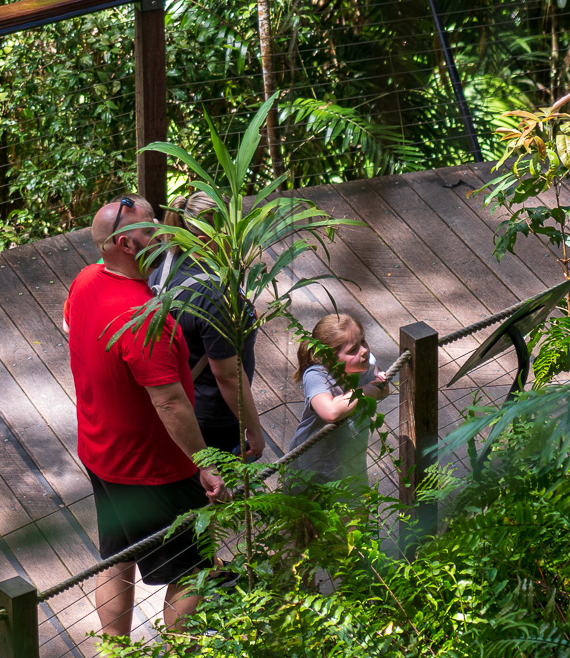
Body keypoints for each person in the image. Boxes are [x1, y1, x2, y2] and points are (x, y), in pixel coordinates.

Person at [63, 194, 230, 638]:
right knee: (192, 566)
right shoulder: (143, 318)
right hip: (155, 469)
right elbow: (170, 402)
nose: (164, 231)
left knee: (118, 556)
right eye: (152, 226)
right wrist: (206, 466)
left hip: (101, 453)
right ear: (128, 245)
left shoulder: (84, 280)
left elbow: (70, 328)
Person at [148, 191, 265, 462]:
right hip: (212, 416)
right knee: (217, 493)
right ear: (204, 242)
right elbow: (228, 377)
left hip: (179, 397)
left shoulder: (166, 260)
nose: (239, 243)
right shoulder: (212, 295)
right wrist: (253, 430)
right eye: (231, 237)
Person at [288, 312, 390, 485]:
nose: (364, 350)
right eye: (352, 350)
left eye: (363, 341)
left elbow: (381, 392)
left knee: (357, 510)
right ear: (328, 357)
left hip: (352, 464)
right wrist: (363, 391)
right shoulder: (318, 375)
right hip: (313, 469)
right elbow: (330, 412)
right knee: (310, 512)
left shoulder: (367, 364)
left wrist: (381, 384)